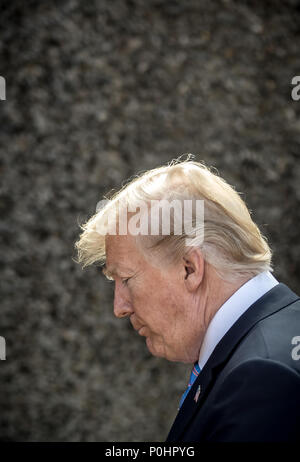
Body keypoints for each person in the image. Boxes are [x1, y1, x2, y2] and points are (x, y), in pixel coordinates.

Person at [74, 157, 300, 442]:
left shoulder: (263, 378)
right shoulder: (269, 346)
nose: (119, 308)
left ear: (190, 268)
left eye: (126, 279)